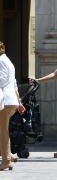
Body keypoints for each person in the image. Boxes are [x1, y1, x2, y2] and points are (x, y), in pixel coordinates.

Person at [0, 42, 25, 171]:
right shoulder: (8, 61)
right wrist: (19, 102)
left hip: (5, 100)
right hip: (10, 100)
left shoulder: (1, 61)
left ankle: (6, 161)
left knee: (3, 130)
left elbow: (2, 80)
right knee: (3, 129)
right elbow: (14, 83)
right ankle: (8, 155)